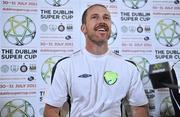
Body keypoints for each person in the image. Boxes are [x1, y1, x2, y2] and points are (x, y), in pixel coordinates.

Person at [43, 4, 149, 117]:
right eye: (95, 17)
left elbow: (139, 109)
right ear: (83, 28)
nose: (102, 21)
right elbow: (51, 110)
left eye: (106, 17)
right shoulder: (65, 66)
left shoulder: (129, 67)